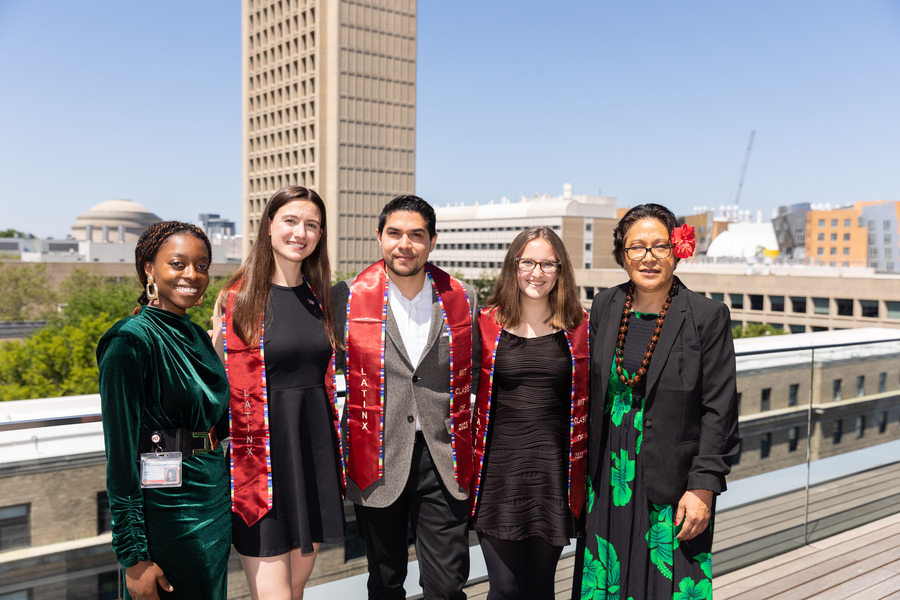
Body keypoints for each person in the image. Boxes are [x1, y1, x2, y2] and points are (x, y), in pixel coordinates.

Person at [572, 204, 740, 600]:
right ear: (622, 255)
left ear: (677, 250)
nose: (648, 258)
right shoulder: (605, 305)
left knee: (666, 583)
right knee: (607, 578)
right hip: (607, 474)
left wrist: (704, 488)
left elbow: (720, 410)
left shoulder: (706, 316)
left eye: (659, 246)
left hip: (673, 480)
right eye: (637, 248)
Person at [333, 195, 477, 600]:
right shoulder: (344, 298)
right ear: (379, 237)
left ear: (432, 241)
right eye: (394, 233)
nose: (405, 244)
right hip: (374, 456)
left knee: (447, 587)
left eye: (416, 235)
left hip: (443, 458)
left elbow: (478, 373)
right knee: (385, 583)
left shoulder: (462, 298)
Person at [212, 186, 345, 600]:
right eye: (290, 221)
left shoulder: (321, 298)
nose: (300, 232)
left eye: (312, 225)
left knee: (296, 589)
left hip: (313, 457)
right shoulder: (236, 299)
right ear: (269, 226)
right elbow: (213, 382)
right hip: (260, 468)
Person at [98, 221, 230, 600]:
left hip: (213, 502)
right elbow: (120, 458)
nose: (192, 275)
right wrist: (134, 557)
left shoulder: (195, 335)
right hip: (168, 512)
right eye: (178, 263)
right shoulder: (129, 340)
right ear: (148, 270)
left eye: (202, 266)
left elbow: (216, 421)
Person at [469, 227, 589, 600]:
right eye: (528, 262)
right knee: (504, 589)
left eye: (547, 264)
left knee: (540, 589)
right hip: (498, 473)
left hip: (553, 472)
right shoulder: (486, 323)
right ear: (514, 266)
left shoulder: (581, 326)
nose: (537, 273)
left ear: (560, 270)